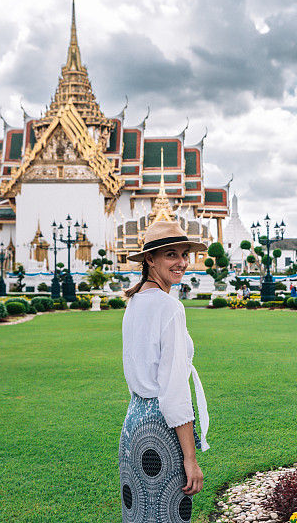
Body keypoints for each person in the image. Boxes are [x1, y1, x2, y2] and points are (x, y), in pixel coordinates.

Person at [119, 221, 210, 522]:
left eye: (184, 254)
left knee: (140, 514)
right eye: (171, 254)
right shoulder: (169, 307)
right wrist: (190, 458)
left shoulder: (135, 302)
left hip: (134, 424)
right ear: (150, 259)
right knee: (166, 514)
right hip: (161, 428)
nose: (181, 262)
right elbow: (173, 392)